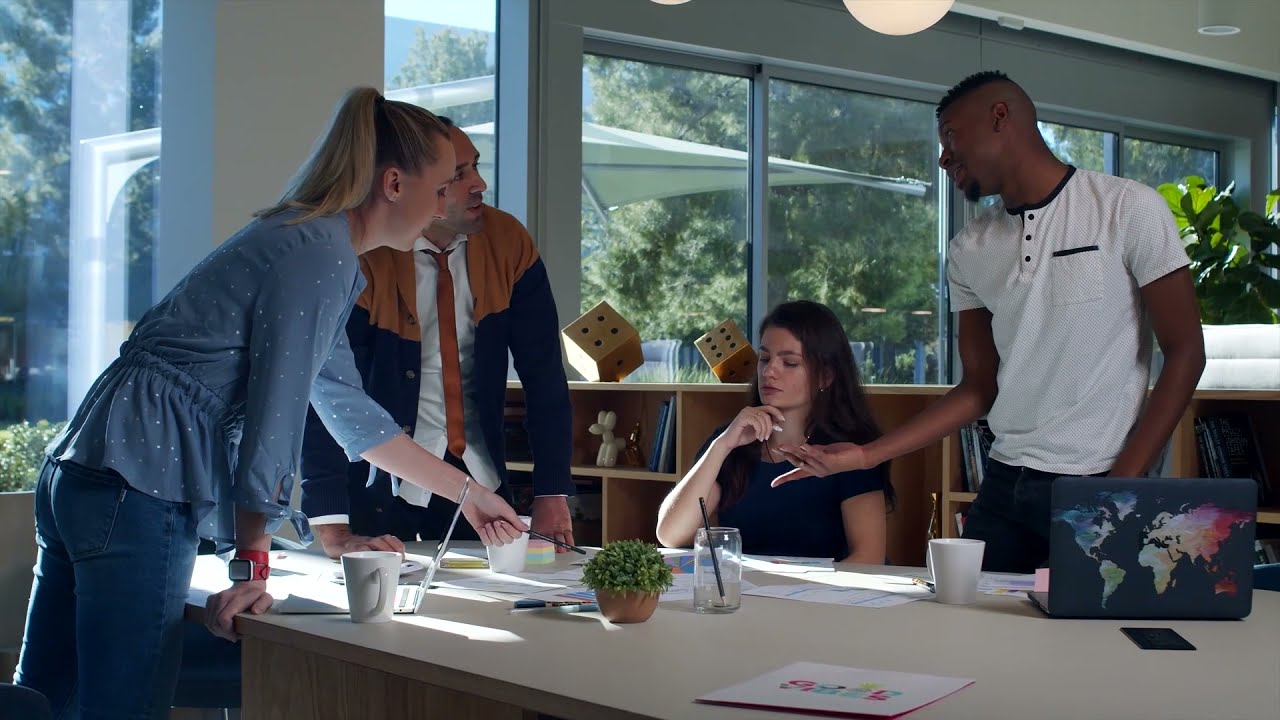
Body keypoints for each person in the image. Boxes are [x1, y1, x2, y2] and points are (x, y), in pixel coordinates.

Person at [14, 87, 528, 719]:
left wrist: (469, 495)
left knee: (44, 697)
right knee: (123, 707)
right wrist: (252, 563)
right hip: (140, 480)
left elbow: (350, 413)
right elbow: (275, 416)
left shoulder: (308, 242)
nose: (447, 203)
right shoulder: (320, 256)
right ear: (395, 183)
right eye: (443, 186)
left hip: (85, 468)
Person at [772, 71, 1205, 573]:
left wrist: (1120, 487)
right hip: (1003, 485)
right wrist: (867, 456)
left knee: (1081, 625)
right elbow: (979, 387)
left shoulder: (1128, 208)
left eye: (951, 137)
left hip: (1099, 480)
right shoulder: (969, 249)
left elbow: (1186, 353)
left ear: (1000, 117)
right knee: (960, 618)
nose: (943, 158)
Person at [300, 116, 576, 558]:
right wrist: (332, 524)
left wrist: (552, 491)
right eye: (458, 175)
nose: (479, 184)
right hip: (380, 484)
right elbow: (327, 394)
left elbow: (544, 375)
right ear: (407, 185)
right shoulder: (363, 256)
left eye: (476, 166)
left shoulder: (509, 243)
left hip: (483, 485)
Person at [655, 301, 893, 563]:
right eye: (765, 359)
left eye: (790, 363)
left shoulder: (851, 452)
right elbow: (670, 535)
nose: (769, 372)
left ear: (825, 376)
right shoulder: (732, 443)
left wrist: (800, 586)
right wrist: (721, 446)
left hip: (824, 589)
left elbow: (869, 558)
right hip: (744, 587)